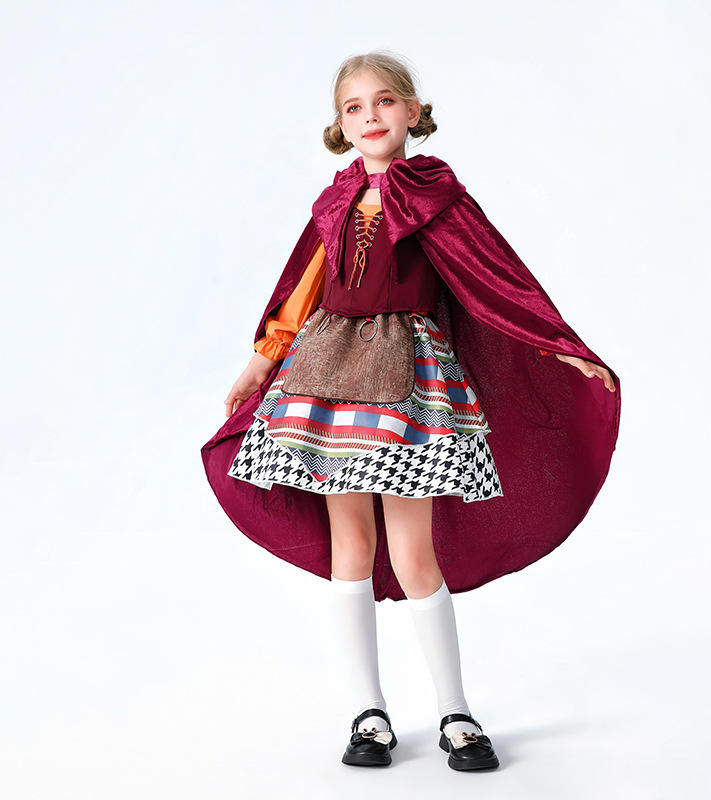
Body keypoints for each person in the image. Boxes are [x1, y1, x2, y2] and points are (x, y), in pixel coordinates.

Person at [201, 51, 620, 771]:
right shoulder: (334, 202)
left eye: (385, 101)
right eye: (354, 107)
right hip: (326, 377)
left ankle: (456, 711)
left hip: (409, 380)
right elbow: (303, 289)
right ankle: (368, 712)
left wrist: (559, 344)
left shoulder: (436, 196)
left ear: (414, 111)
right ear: (340, 125)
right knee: (350, 545)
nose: (371, 116)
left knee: (414, 549)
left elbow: (498, 278)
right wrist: (261, 361)